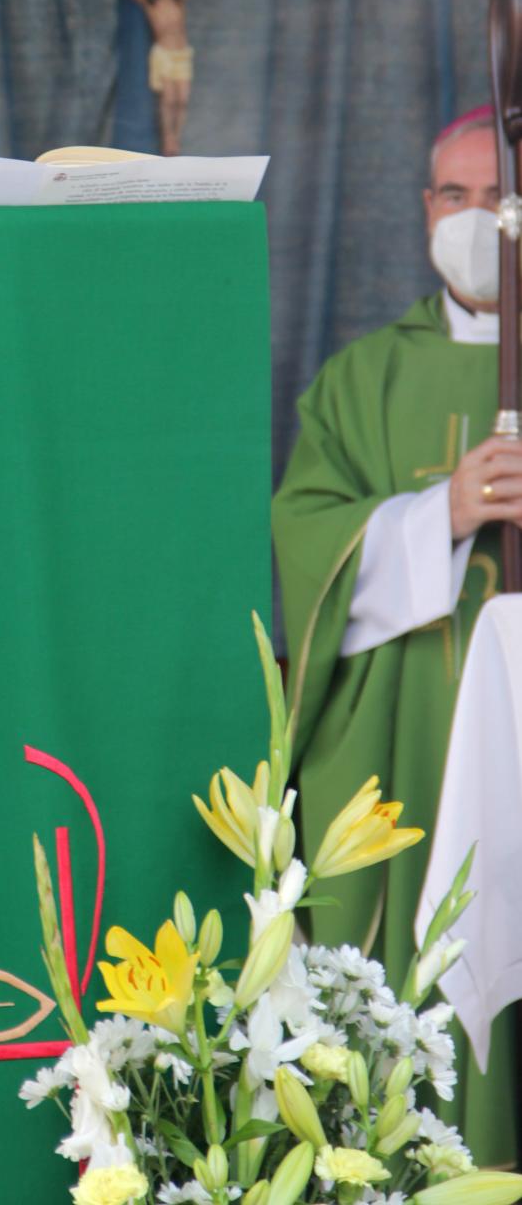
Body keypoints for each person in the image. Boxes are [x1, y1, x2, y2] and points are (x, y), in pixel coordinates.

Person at [273, 106, 522, 1168]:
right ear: (424, 209)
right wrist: (446, 515)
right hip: (396, 730)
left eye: (494, 201)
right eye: (450, 196)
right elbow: (301, 544)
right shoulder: (360, 378)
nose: (471, 220)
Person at [93, 0, 224, 156]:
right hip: (164, 55)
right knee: (168, 98)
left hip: (181, 54)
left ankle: (177, 137)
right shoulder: (149, 3)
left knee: (182, 99)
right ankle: (168, 139)